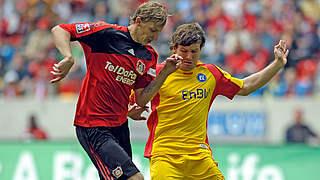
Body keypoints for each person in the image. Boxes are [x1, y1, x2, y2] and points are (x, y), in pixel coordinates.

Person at [50, 2, 181, 180]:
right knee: (135, 178)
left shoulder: (149, 55)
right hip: (93, 125)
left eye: (159, 31)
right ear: (139, 21)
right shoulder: (106, 34)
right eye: (152, 30)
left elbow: (142, 99)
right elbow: (60, 29)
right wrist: (68, 57)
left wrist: (165, 72)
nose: (156, 37)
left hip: (119, 126)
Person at [143, 23, 289, 180]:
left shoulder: (210, 74)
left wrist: (277, 64)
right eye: (184, 51)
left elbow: (245, 86)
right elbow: (134, 99)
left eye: (194, 51)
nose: (189, 57)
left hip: (199, 156)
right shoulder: (158, 72)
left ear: (201, 49)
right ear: (173, 48)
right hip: (165, 155)